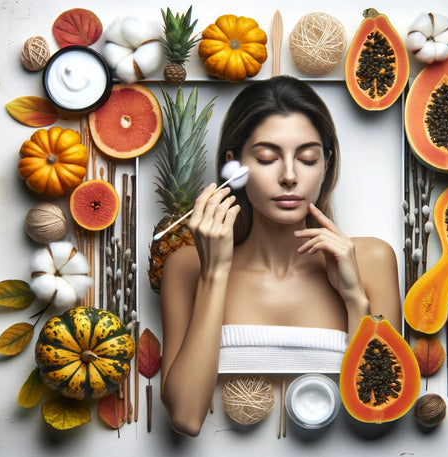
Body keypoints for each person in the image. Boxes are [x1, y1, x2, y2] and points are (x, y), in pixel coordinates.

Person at [159, 76, 402, 437]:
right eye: (267, 158)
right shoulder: (186, 266)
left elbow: (383, 412)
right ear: (234, 166)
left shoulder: (373, 259)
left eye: (307, 158)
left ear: (326, 164)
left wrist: (355, 299)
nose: (289, 176)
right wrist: (215, 274)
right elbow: (186, 416)